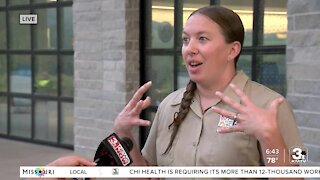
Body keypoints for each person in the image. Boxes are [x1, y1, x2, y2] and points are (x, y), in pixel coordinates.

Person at [113, 5, 303, 180]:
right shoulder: (169, 105)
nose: (190, 49)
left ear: (232, 50)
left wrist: (270, 136)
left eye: (202, 39)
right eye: (186, 40)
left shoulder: (270, 105)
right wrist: (124, 134)